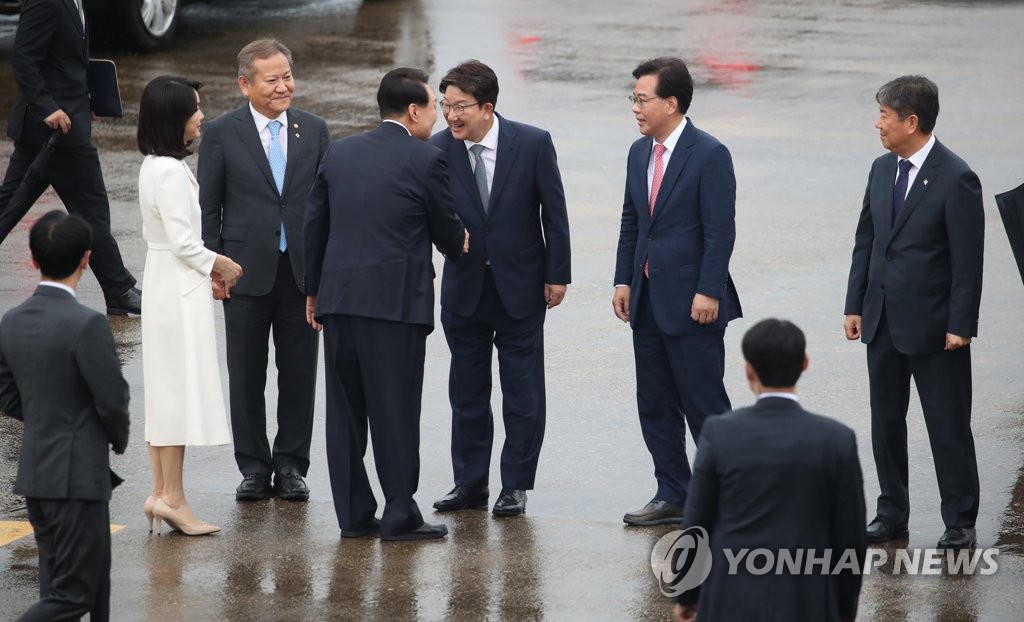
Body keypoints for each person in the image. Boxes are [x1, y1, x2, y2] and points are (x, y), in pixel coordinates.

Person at [304, 67, 467, 541]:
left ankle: (354, 516)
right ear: (414, 111)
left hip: (339, 303)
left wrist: (313, 291)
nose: (438, 116)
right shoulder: (424, 159)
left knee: (345, 413)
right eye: (435, 107)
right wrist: (460, 243)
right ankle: (399, 514)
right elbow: (445, 228)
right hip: (394, 307)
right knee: (394, 410)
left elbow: (316, 225)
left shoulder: (341, 151)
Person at [844, 75, 984, 550]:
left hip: (935, 328)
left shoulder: (956, 177)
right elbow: (867, 241)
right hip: (881, 320)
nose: (877, 124)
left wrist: (961, 325)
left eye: (884, 115)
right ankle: (891, 513)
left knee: (947, 426)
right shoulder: (881, 170)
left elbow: (968, 261)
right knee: (885, 423)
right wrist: (854, 304)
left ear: (912, 121)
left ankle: (960, 520)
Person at [429, 60, 571, 517]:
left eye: (460, 107)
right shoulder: (436, 151)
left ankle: (515, 484)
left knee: (523, 392)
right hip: (464, 290)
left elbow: (555, 212)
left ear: (487, 107)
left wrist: (557, 274)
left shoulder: (531, 143)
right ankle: (469, 483)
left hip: (521, 287)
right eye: (445, 105)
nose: (450, 115)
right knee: (467, 393)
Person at [198, 39, 330, 502]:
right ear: (245, 84)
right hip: (244, 272)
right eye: (271, 79)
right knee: (247, 373)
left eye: (287, 76)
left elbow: (325, 205)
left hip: (300, 272)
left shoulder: (313, 130)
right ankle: (253, 467)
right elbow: (208, 206)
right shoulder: (221, 132)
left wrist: (324, 271)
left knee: (299, 374)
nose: (283, 86)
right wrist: (215, 266)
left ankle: (292, 465)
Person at [612, 57, 742, 526]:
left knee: (703, 403)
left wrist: (709, 290)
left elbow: (719, 231)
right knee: (654, 402)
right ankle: (673, 492)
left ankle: (727, 497)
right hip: (646, 301)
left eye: (642, 99)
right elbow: (633, 221)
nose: (635, 108)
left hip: (693, 303)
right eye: (633, 98)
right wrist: (623, 278)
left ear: (671, 102)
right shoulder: (637, 152)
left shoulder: (709, 153)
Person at [673, 319, 866, 622]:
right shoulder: (836, 440)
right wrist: (843, 609)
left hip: (730, 597)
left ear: (749, 370)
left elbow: (697, 522)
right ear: (804, 363)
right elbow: (849, 538)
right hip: (807, 599)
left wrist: (687, 595)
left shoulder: (719, 433)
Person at [0, 210, 130, 621]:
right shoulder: (87, 324)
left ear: (35, 260)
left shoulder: (12, 320)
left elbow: (6, 393)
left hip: (38, 474)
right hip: (78, 479)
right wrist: (111, 436)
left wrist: (47, 414)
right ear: (86, 259)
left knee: (72, 584)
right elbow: (113, 400)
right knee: (74, 597)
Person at [137, 75, 242, 535]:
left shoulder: (153, 165)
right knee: (175, 394)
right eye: (195, 109)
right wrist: (223, 264)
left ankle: (161, 493)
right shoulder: (169, 171)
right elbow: (185, 243)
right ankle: (173, 498)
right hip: (177, 286)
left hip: (165, 281)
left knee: (164, 393)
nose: (201, 116)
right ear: (173, 118)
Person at [0, 0, 141, 316]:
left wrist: (87, 96)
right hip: (56, 129)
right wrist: (47, 107)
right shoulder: (45, 1)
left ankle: (119, 289)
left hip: (61, 125)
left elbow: (65, 61)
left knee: (9, 206)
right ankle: (119, 289)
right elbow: (24, 58)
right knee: (92, 211)